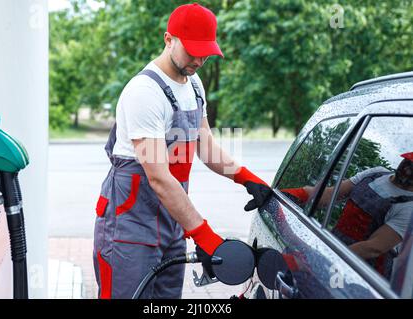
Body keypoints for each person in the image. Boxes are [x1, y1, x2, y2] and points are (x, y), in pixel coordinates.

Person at [93, 3, 271, 299]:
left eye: (206, 52)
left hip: (172, 227)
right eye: (192, 51)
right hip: (128, 232)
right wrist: (205, 236)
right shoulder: (144, 93)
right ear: (168, 39)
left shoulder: (194, 85)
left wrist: (248, 179)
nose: (199, 60)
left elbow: (206, 146)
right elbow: (160, 179)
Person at [282, 153, 413, 278]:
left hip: (362, 275)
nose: (408, 170)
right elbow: (328, 195)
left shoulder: (409, 207)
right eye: (409, 162)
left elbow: (373, 248)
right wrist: (287, 195)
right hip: (336, 249)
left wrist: (320, 260)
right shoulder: (376, 174)